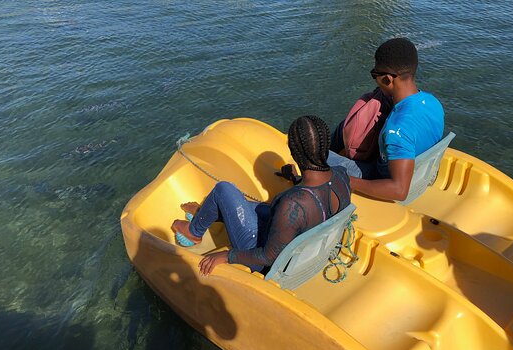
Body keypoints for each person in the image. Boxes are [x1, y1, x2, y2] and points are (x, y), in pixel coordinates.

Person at [171, 115, 352, 276]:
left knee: (224, 190)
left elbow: (268, 256)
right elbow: (318, 196)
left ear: (293, 152)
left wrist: (227, 255)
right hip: (301, 240)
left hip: (262, 258)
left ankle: (194, 231)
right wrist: (296, 179)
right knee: (246, 205)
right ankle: (206, 213)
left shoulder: (293, 204)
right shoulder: (341, 176)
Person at [328, 37, 445, 201]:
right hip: (412, 167)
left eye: (374, 74)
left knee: (316, 156)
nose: (375, 79)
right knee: (344, 126)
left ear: (387, 79)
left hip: (376, 177)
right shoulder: (433, 102)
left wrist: (347, 181)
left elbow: (399, 190)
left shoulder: (396, 130)